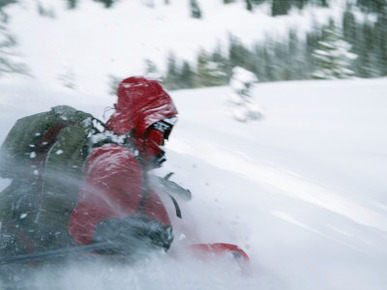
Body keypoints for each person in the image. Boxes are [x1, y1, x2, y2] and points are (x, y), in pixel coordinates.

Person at [0, 76, 179, 261]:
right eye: (166, 129)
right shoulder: (117, 158)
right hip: (45, 266)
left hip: (22, 244)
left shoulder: (103, 147)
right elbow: (89, 217)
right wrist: (118, 230)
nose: (165, 139)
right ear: (147, 123)